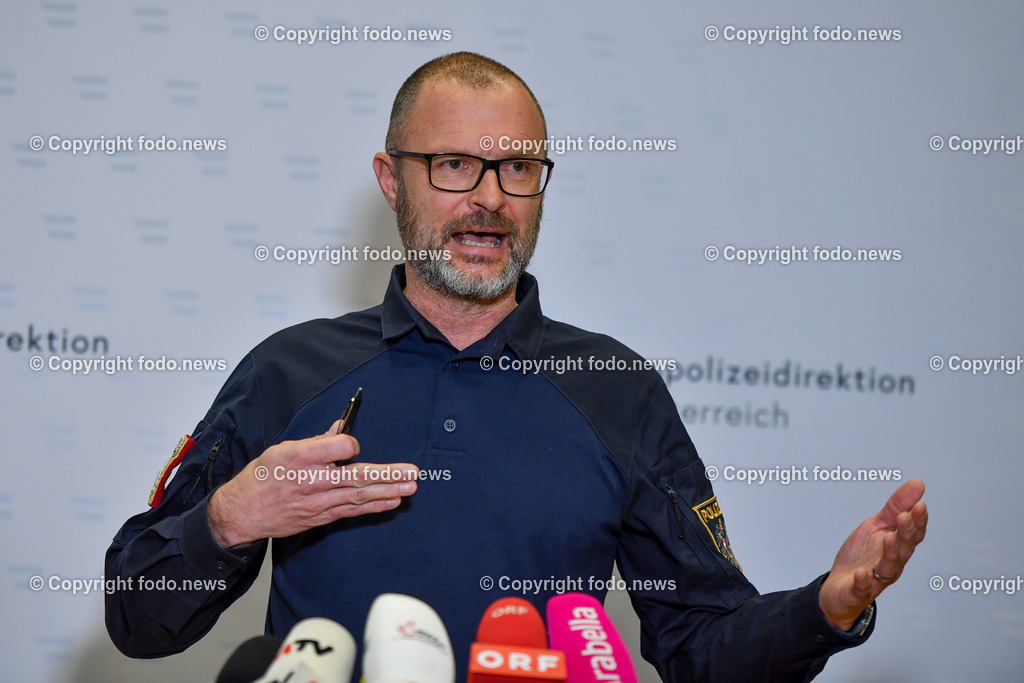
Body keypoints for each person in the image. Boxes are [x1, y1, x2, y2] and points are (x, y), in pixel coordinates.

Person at [105, 52, 928, 682]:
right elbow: (136, 621)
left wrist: (827, 608)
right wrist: (225, 521)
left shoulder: (617, 388)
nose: (490, 198)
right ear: (393, 181)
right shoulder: (288, 370)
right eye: (455, 165)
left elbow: (700, 643)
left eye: (519, 169)